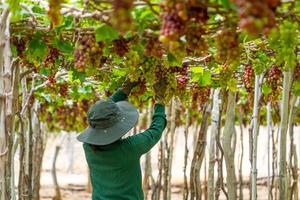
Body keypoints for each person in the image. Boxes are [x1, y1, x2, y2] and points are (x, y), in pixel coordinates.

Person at [77, 78, 167, 200]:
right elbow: (155, 131)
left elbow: (99, 117)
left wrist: (124, 91)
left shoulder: (88, 147)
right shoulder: (129, 148)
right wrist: (160, 101)